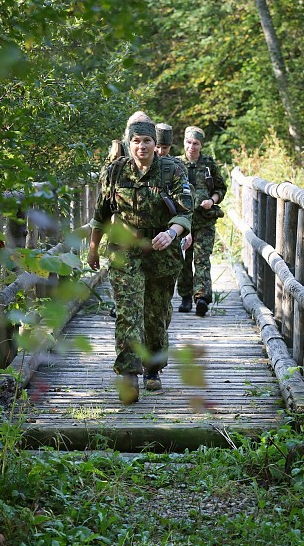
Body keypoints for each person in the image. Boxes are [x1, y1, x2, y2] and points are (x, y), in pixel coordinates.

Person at [87, 117, 193, 404]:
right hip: (124, 251)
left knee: (155, 317)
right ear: (128, 143)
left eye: (147, 141)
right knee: (128, 312)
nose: (142, 146)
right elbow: (101, 214)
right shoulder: (114, 172)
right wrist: (93, 248)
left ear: (155, 144)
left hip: (162, 252)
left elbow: (186, 210)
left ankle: (153, 369)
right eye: (136, 141)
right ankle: (128, 375)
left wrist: (172, 233)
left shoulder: (172, 169)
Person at [176, 126, 227, 317]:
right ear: (184, 143)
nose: (192, 147)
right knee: (184, 260)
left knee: (202, 259)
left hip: (205, 220)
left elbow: (221, 188)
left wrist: (211, 201)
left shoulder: (208, 164)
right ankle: (185, 297)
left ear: (201, 145)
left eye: (195, 143)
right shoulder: (176, 164)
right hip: (183, 221)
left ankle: (202, 298)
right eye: (188, 142)